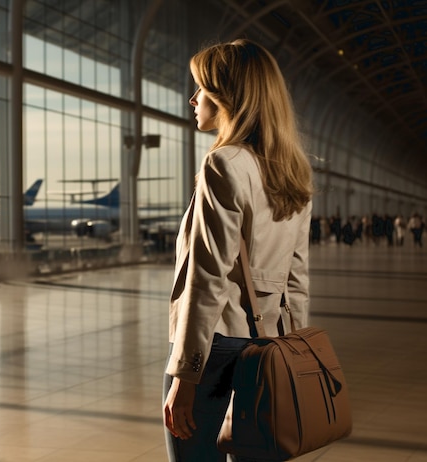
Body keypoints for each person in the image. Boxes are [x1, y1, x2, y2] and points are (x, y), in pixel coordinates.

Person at [162, 39, 313, 462]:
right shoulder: (292, 169)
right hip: (270, 346)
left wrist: (184, 377)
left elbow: (206, 278)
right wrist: (297, 349)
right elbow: (296, 277)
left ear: (228, 96)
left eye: (201, 89)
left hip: (216, 347)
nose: (193, 99)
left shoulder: (224, 163)